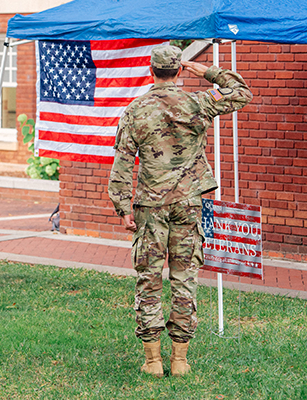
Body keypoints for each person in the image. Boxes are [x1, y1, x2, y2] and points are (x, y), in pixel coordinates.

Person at [108, 44, 253, 377]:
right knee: (185, 278)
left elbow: (123, 161)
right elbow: (241, 92)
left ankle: (152, 360)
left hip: (150, 207)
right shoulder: (197, 102)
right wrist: (207, 72)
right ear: (178, 70)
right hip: (189, 203)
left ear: (151, 70)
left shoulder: (135, 109)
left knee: (149, 279)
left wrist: (121, 206)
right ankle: (180, 359)